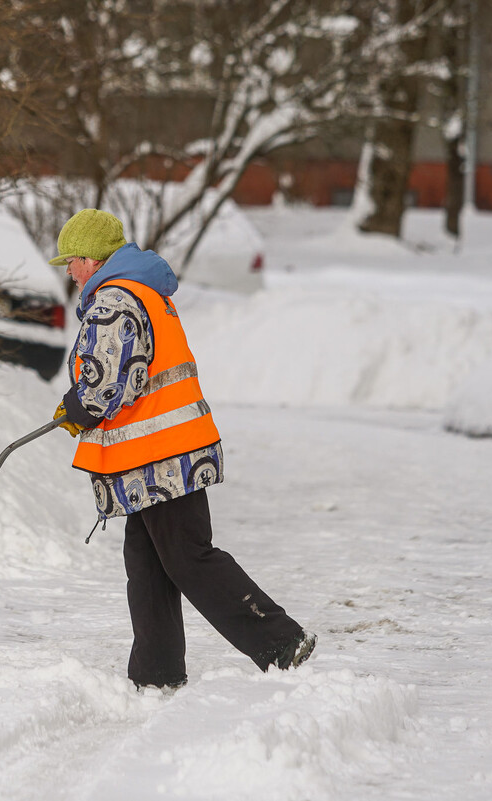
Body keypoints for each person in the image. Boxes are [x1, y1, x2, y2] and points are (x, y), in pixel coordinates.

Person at [48, 208, 315, 691]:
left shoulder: (114, 300)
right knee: (148, 564)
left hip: (159, 454)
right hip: (160, 452)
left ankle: (280, 641)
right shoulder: (143, 292)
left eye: (71, 260)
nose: (68, 271)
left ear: (91, 258)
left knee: (189, 557)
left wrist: (79, 405)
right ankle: (156, 673)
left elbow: (109, 381)